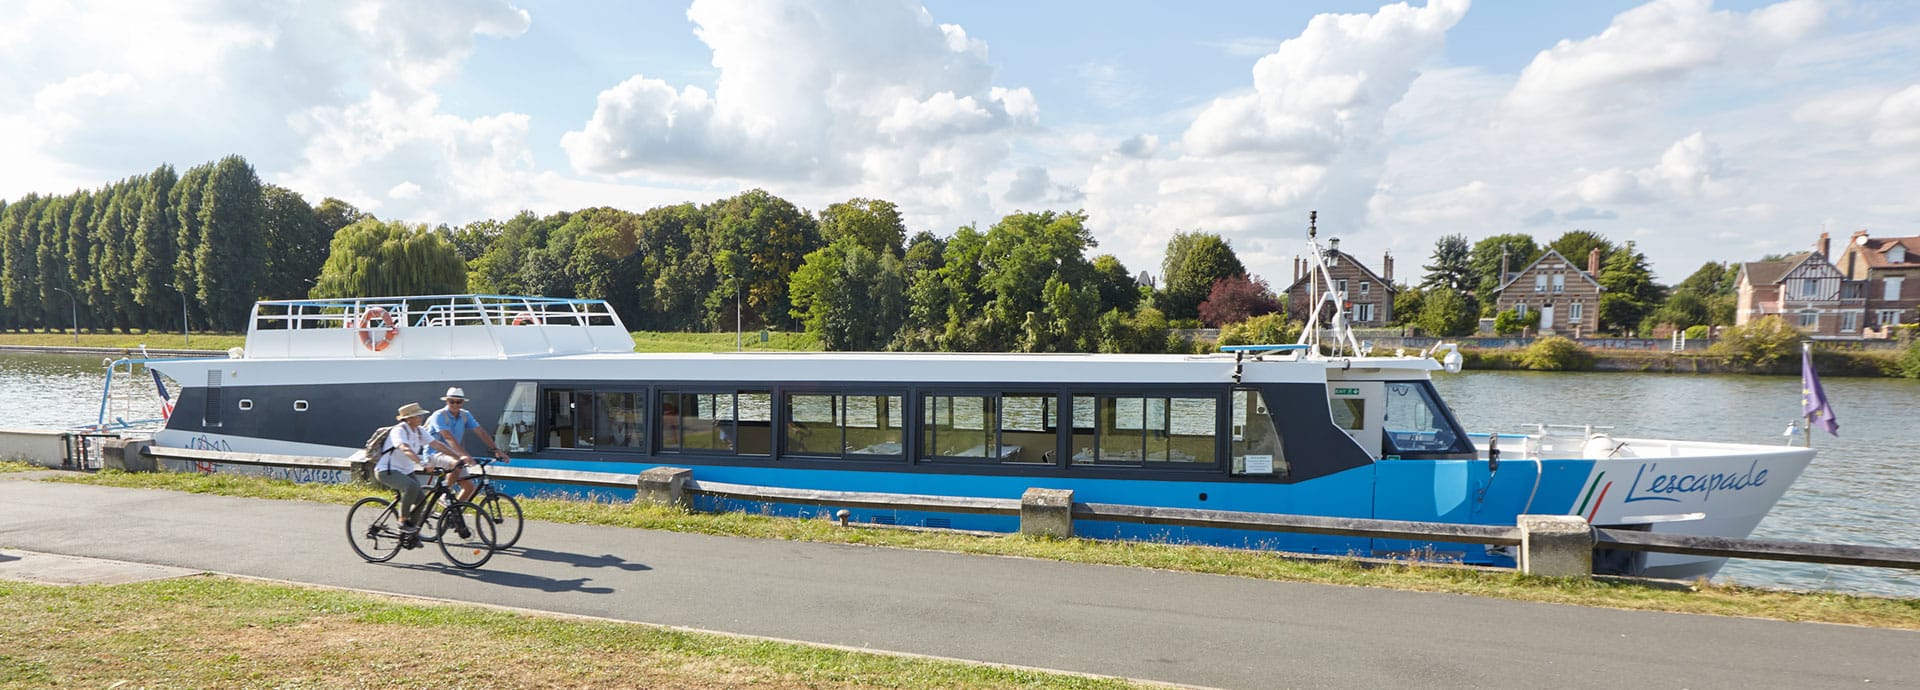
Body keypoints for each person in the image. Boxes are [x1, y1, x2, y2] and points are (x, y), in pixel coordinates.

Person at [373, 402, 460, 541]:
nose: (421, 418)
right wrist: (422, 463)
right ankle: (402, 521)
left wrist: (458, 456)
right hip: (387, 470)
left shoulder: (419, 431)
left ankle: (411, 534)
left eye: (421, 415)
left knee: (421, 500)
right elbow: (405, 448)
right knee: (411, 486)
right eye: (417, 416)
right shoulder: (399, 430)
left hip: (406, 471)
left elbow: (436, 444)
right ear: (408, 419)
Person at [423, 386, 510, 502]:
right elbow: (448, 437)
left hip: (454, 454)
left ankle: (453, 511)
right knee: (457, 463)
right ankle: (444, 494)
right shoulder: (438, 415)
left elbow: (480, 432)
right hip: (434, 453)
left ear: (462, 402)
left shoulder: (465, 415)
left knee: (469, 487)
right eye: (452, 401)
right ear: (446, 401)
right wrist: (464, 455)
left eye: (458, 402)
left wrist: (496, 450)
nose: (455, 404)